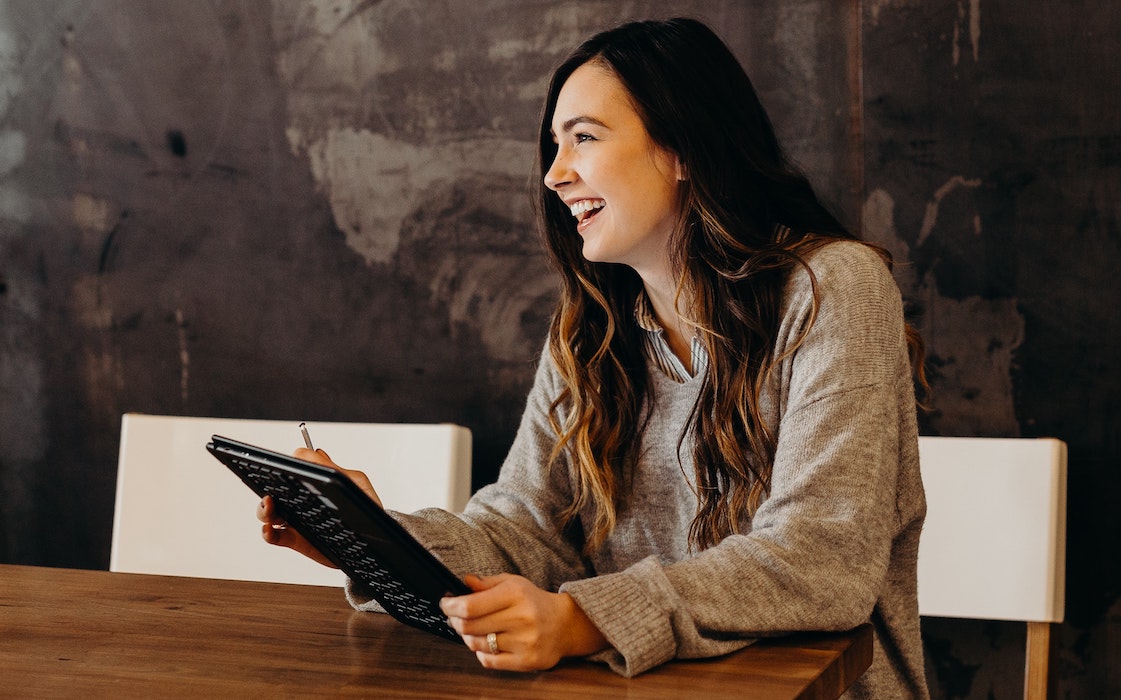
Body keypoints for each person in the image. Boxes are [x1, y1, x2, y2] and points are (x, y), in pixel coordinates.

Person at [258, 17, 929, 699]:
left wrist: (583, 620)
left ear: (683, 148)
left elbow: (821, 560)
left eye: (583, 137)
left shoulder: (833, 288)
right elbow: (524, 531)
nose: (554, 175)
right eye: (554, 145)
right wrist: (376, 544)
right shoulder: (591, 330)